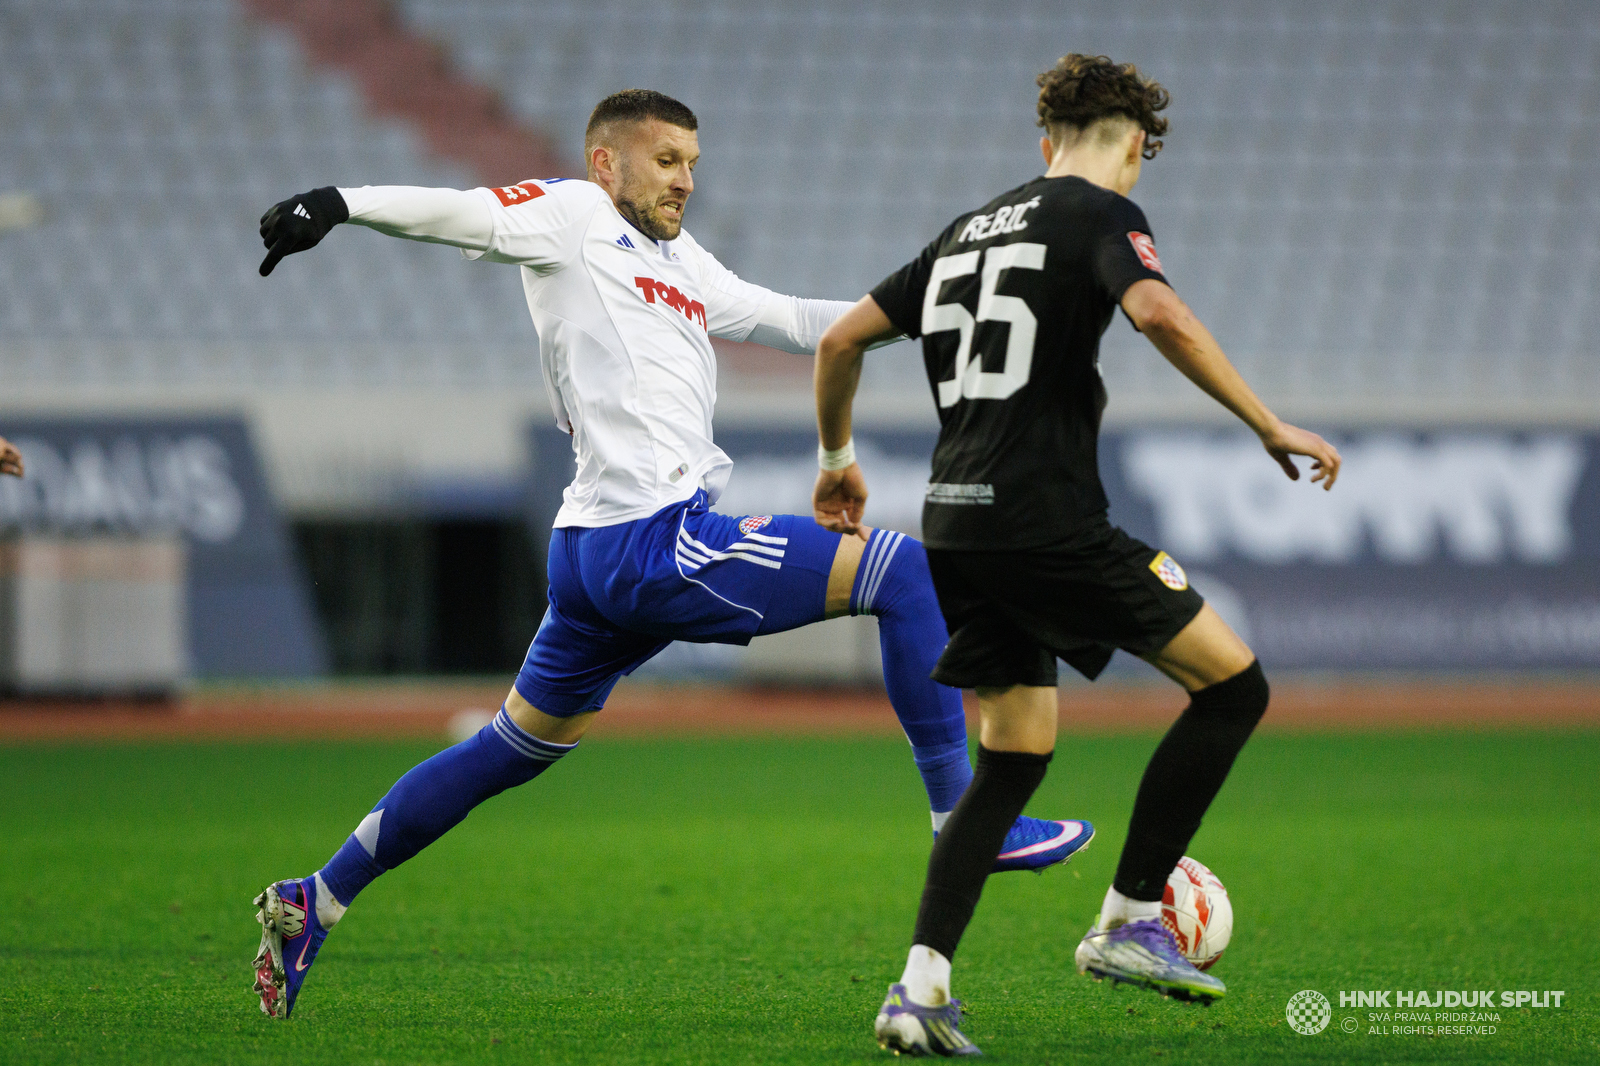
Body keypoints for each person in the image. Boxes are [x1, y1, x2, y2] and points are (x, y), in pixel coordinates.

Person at [249, 89, 1093, 1020]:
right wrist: (337, 201)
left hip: (593, 554)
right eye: (666, 161)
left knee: (509, 747)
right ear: (606, 162)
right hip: (649, 542)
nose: (686, 179)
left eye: (692, 162)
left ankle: (312, 900)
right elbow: (465, 217)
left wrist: (943, 302)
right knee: (905, 574)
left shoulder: (678, 260)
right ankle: (970, 824)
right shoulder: (571, 218)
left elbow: (803, 322)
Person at [811, 55, 1343, 1056]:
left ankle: (918, 992)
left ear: (1042, 138)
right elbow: (1157, 311)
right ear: (1138, 144)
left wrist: (837, 461)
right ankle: (1130, 920)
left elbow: (839, 340)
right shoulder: (1101, 216)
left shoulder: (967, 229)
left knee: (1012, 756)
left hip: (954, 523)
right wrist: (1265, 420)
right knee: (1233, 687)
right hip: (1043, 520)